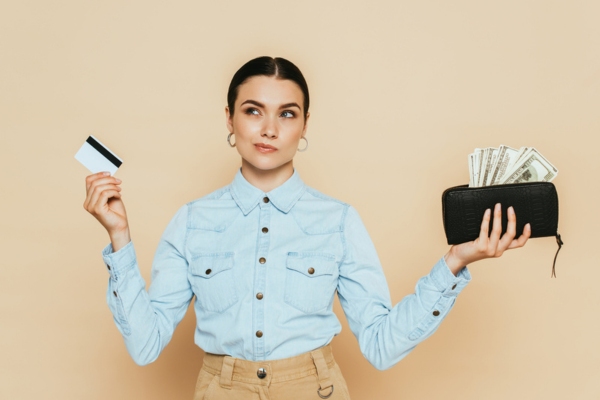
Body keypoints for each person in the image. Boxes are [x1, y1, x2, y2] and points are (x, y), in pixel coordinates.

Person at [83, 56, 531, 400]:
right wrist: (119, 239)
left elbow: (381, 344)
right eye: (254, 110)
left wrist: (454, 263)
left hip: (316, 390)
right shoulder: (192, 221)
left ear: (304, 125)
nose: (270, 129)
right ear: (229, 119)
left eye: (288, 113)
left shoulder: (337, 220)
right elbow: (145, 346)